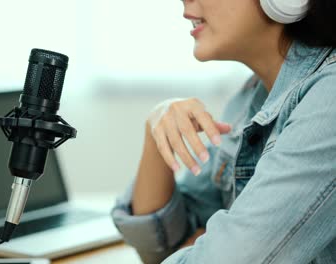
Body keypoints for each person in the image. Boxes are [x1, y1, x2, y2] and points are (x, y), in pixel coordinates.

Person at [111, 0, 336, 263]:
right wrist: (155, 130)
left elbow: (231, 257)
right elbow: (160, 246)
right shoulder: (249, 101)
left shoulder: (329, 99)